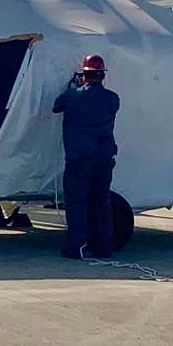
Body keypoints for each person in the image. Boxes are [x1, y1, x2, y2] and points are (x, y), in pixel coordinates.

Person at [52, 54, 120, 258]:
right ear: (102, 75)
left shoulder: (72, 97)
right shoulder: (112, 98)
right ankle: (103, 247)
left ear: (84, 74)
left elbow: (56, 107)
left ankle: (76, 246)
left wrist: (74, 87)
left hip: (78, 158)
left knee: (77, 202)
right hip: (103, 157)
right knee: (101, 201)